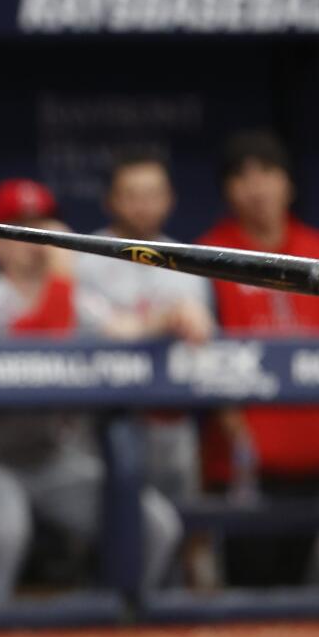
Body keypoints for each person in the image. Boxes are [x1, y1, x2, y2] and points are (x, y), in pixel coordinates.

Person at [0, 179, 181, 605]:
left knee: (156, 525)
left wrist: (175, 317)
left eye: (40, 223)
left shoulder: (80, 299)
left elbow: (126, 332)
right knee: (5, 531)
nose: (34, 239)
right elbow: (33, 342)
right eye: (18, 226)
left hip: (51, 459)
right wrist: (64, 278)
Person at [197, 131, 319, 587]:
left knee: (307, 582)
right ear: (227, 190)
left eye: (268, 172)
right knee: (251, 586)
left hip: (315, 448)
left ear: (289, 184)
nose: (257, 186)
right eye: (243, 176)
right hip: (245, 458)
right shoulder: (208, 251)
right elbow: (205, 358)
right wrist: (236, 433)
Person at [71, 154, 213, 508]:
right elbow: (105, 332)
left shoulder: (189, 260)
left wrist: (192, 323)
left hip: (170, 421)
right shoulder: (84, 258)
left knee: (183, 527)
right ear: (110, 201)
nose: (142, 205)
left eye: (152, 194)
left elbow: (204, 338)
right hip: (103, 421)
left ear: (170, 199)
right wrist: (163, 321)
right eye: (131, 194)